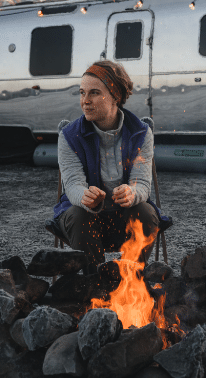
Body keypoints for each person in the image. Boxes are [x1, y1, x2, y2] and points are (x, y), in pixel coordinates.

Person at [53, 60, 159, 273]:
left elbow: (143, 184)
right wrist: (86, 197)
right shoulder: (69, 136)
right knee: (79, 214)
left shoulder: (140, 133)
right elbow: (72, 184)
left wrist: (132, 193)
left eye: (93, 93)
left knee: (146, 212)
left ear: (115, 97)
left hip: (123, 219)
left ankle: (131, 278)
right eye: (82, 93)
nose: (85, 101)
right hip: (85, 222)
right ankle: (96, 282)